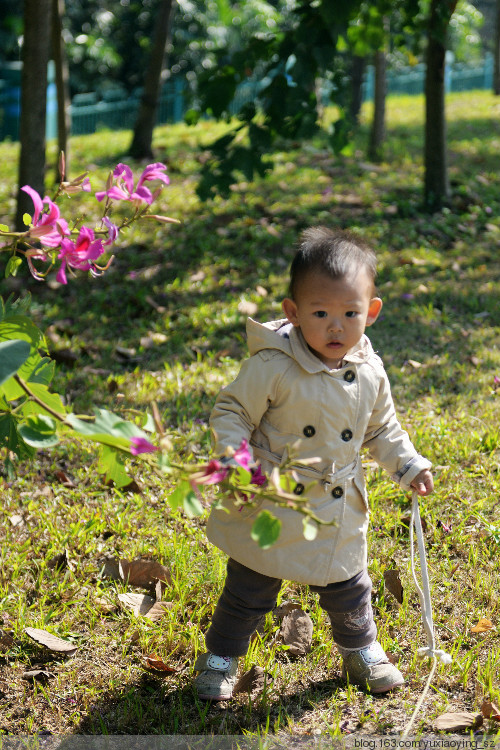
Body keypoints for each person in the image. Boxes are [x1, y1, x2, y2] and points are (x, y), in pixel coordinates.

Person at [194, 226, 434, 700]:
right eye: (320, 313)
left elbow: (381, 429)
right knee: (251, 584)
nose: (335, 327)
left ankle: (360, 649)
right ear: (293, 312)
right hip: (274, 495)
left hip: (336, 503)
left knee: (349, 585)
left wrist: (407, 464)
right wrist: (236, 457)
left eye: (350, 313)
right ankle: (221, 655)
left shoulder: (370, 371)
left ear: (372, 312)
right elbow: (232, 411)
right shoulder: (274, 365)